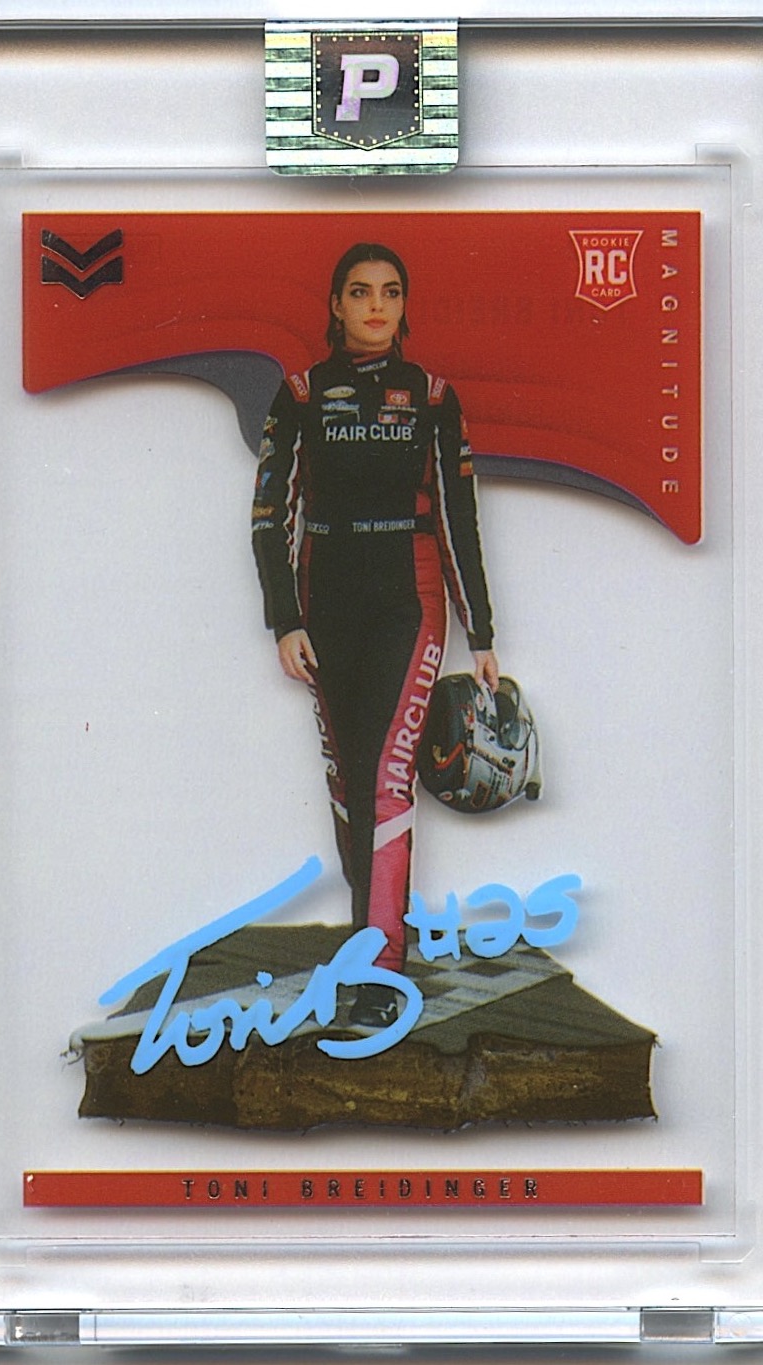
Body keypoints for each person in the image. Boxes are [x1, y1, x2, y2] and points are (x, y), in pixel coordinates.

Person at [252, 242, 498, 1027]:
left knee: (390, 779)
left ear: (403, 304)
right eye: (360, 292)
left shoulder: (431, 395)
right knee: (349, 785)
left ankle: (381, 973)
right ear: (335, 305)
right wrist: (285, 619)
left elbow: (459, 518)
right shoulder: (299, 393)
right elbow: (269, 518)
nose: (376, 307)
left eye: (391, 292)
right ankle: (368, 943)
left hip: (407, 600)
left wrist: (480, 630)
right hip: (326, 606)